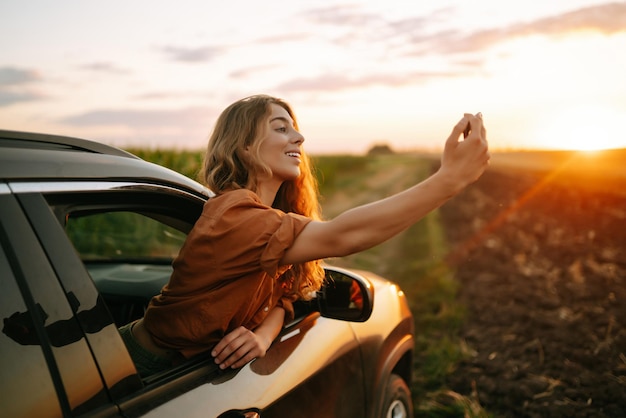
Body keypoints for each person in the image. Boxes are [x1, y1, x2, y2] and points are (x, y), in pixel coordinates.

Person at [119, 94, 490, 378]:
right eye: (281, 128)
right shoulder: (235, 216)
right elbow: (346, 235)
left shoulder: (266, 220)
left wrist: (262, 336)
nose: (299, 136)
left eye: (293, 127)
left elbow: (282, 299)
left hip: (183, 369)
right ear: (245, 146)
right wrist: (449, 180)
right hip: (139, 367)